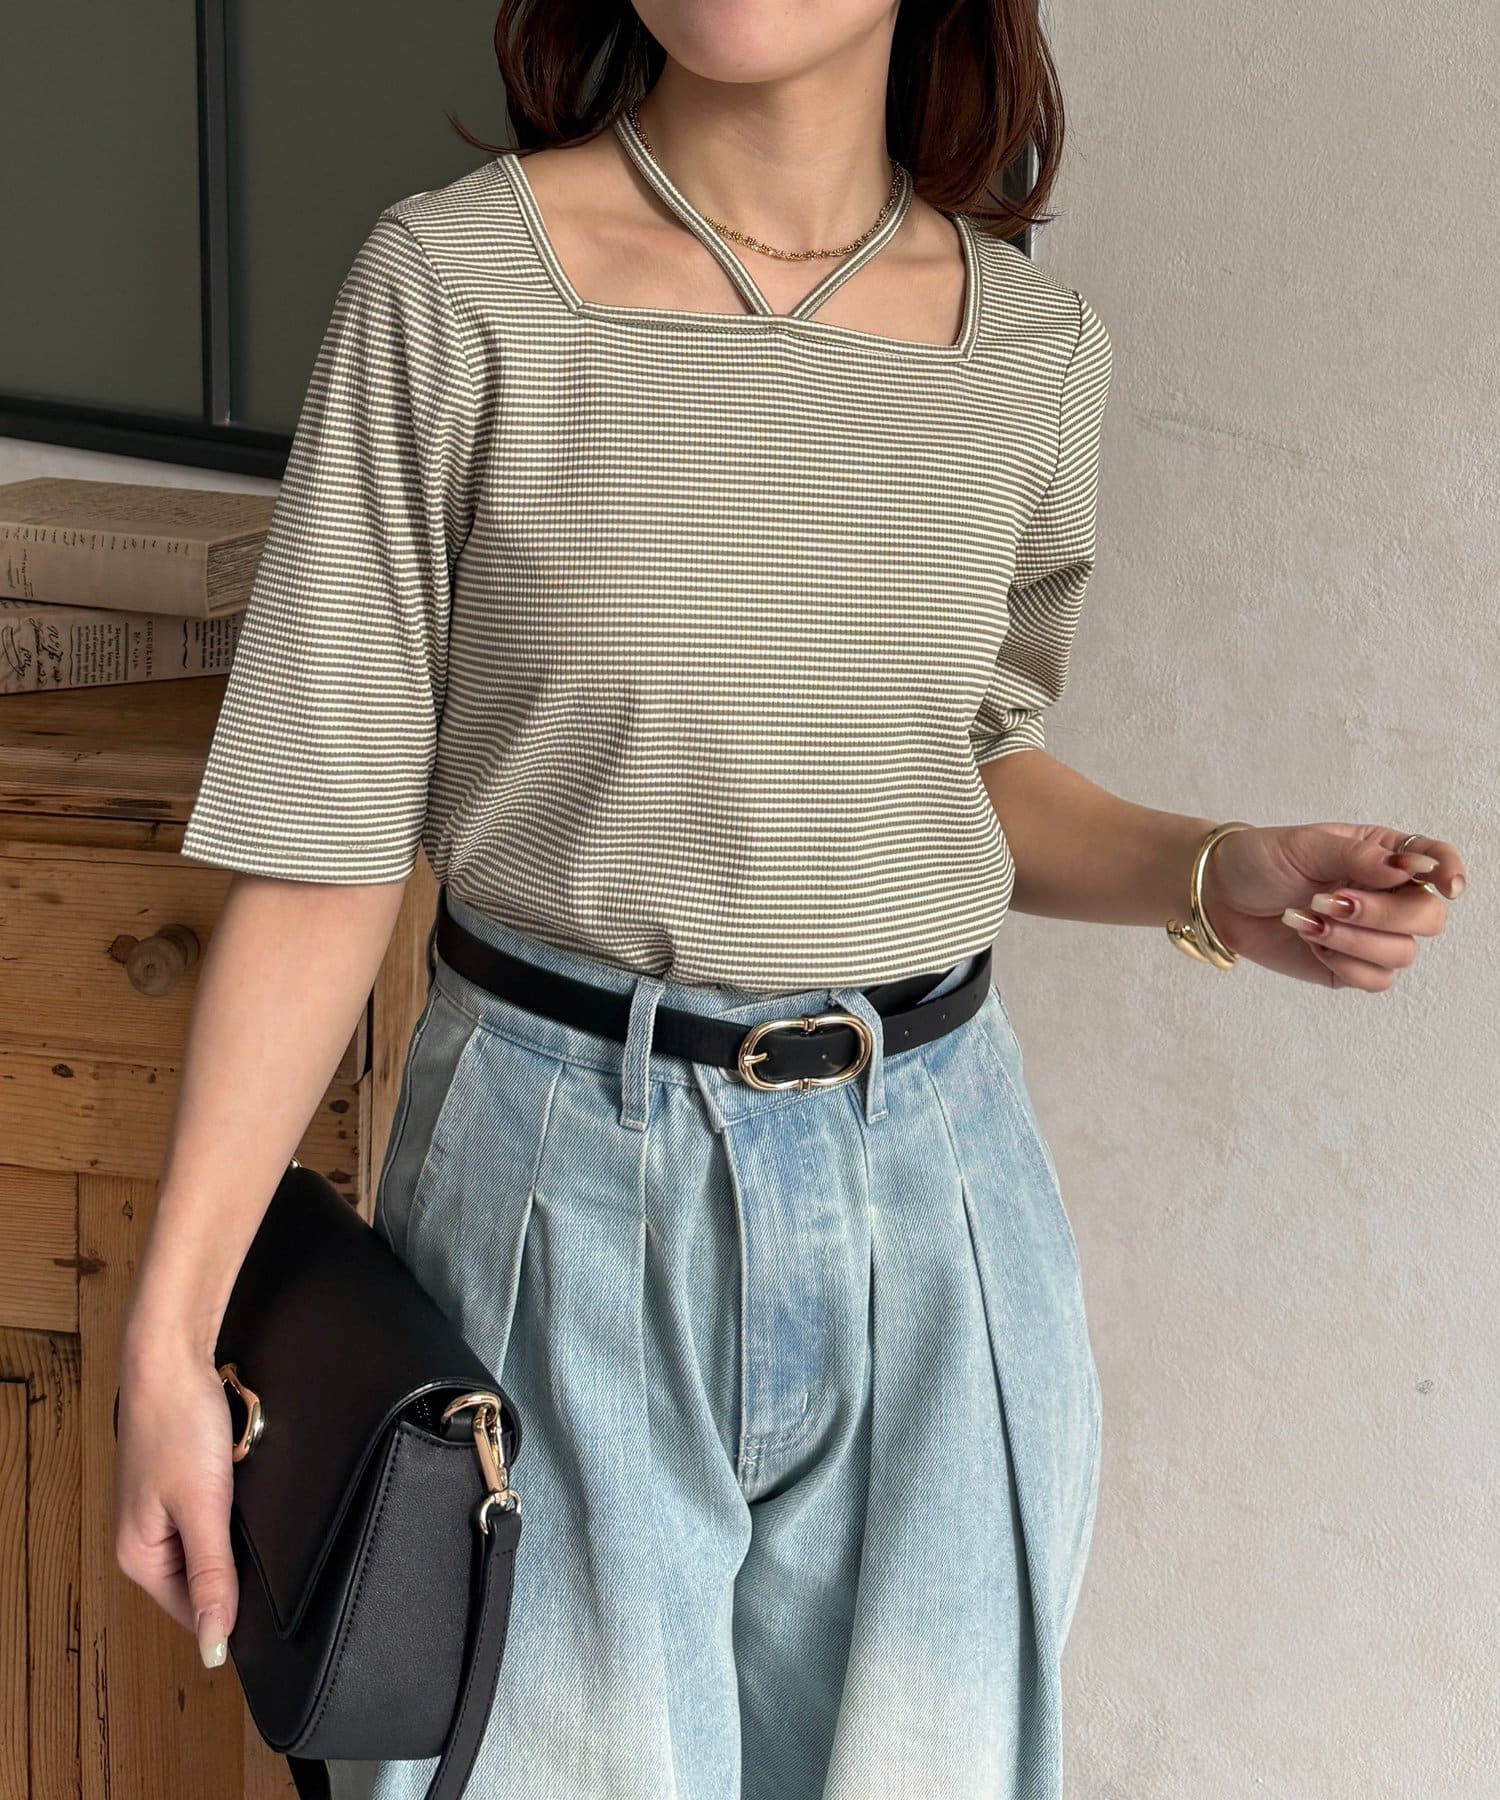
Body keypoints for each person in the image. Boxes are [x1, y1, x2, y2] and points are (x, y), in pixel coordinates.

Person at [111, 5, 1467, 1798]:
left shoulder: (1033, 350)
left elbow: (962, 761)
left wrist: (1213, 872)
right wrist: (169, 1334)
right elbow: (328, 839)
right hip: (556, 1184)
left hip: (942, 1205)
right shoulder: (456, 289)